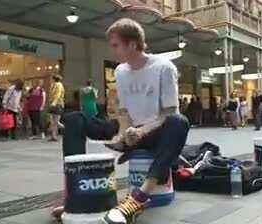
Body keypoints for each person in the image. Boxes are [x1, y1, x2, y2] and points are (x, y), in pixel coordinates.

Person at [57, 18, 190, 224]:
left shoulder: (164, 67)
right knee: (74, 119)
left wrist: (142, 131)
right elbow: (124, 110)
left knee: (179, 121)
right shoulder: (121, 71)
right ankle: (74, 193)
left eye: (115, 45)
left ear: (133, 44)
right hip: (129, 130)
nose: (113, 50)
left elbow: (168, 113)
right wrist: (123, 133)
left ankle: (139, 198)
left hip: (156, 130)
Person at [48, 75, 65, 142]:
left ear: (53, 79)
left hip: (58, 104)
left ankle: (68, 129)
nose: (50, 80)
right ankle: (53, 136)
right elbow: (51, 95)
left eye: (51, 79)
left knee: (56, 122)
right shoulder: (53, 85)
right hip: (53, 104)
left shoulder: (59, 85)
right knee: (52, 121)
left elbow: (58, 94)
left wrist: (54, 102)